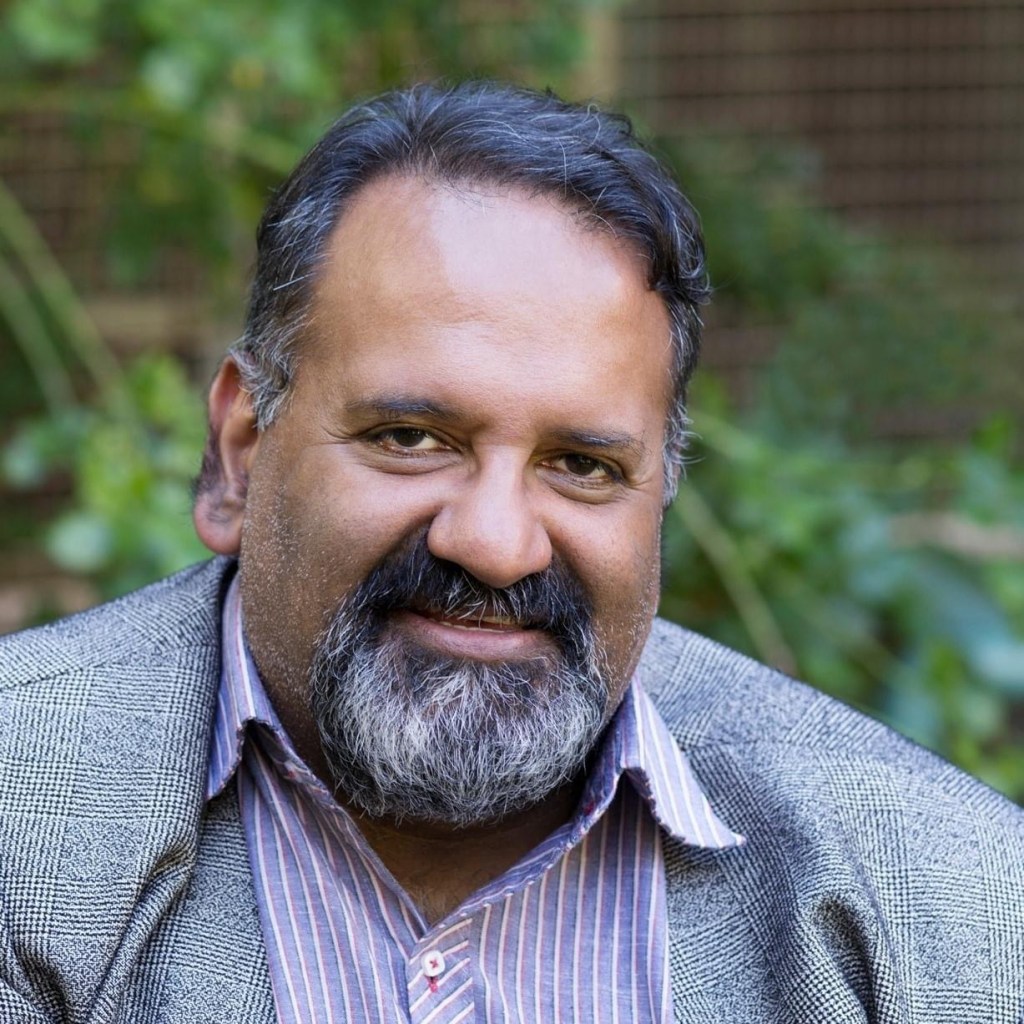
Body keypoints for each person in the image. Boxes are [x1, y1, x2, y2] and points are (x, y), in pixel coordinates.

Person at [1, 81, 1021, 1024]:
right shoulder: (24, 824)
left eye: (581, 465)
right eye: (411, 438)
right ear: (240, 452)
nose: (494, 545)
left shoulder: (943, 901)